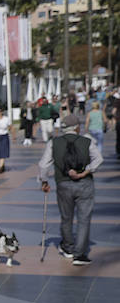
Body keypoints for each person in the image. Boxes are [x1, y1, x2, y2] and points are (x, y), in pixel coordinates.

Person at [39, 113, 103, 266]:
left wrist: (44, 182)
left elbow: (43, 165)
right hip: (85, 184)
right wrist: (86, 171)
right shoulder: (87, 141)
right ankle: (79, 254)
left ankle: (68, 248)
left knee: (66, 217)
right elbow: (99, 159)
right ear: (77, 127)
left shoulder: (54, 143)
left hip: (63, 185)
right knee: (84, 219)